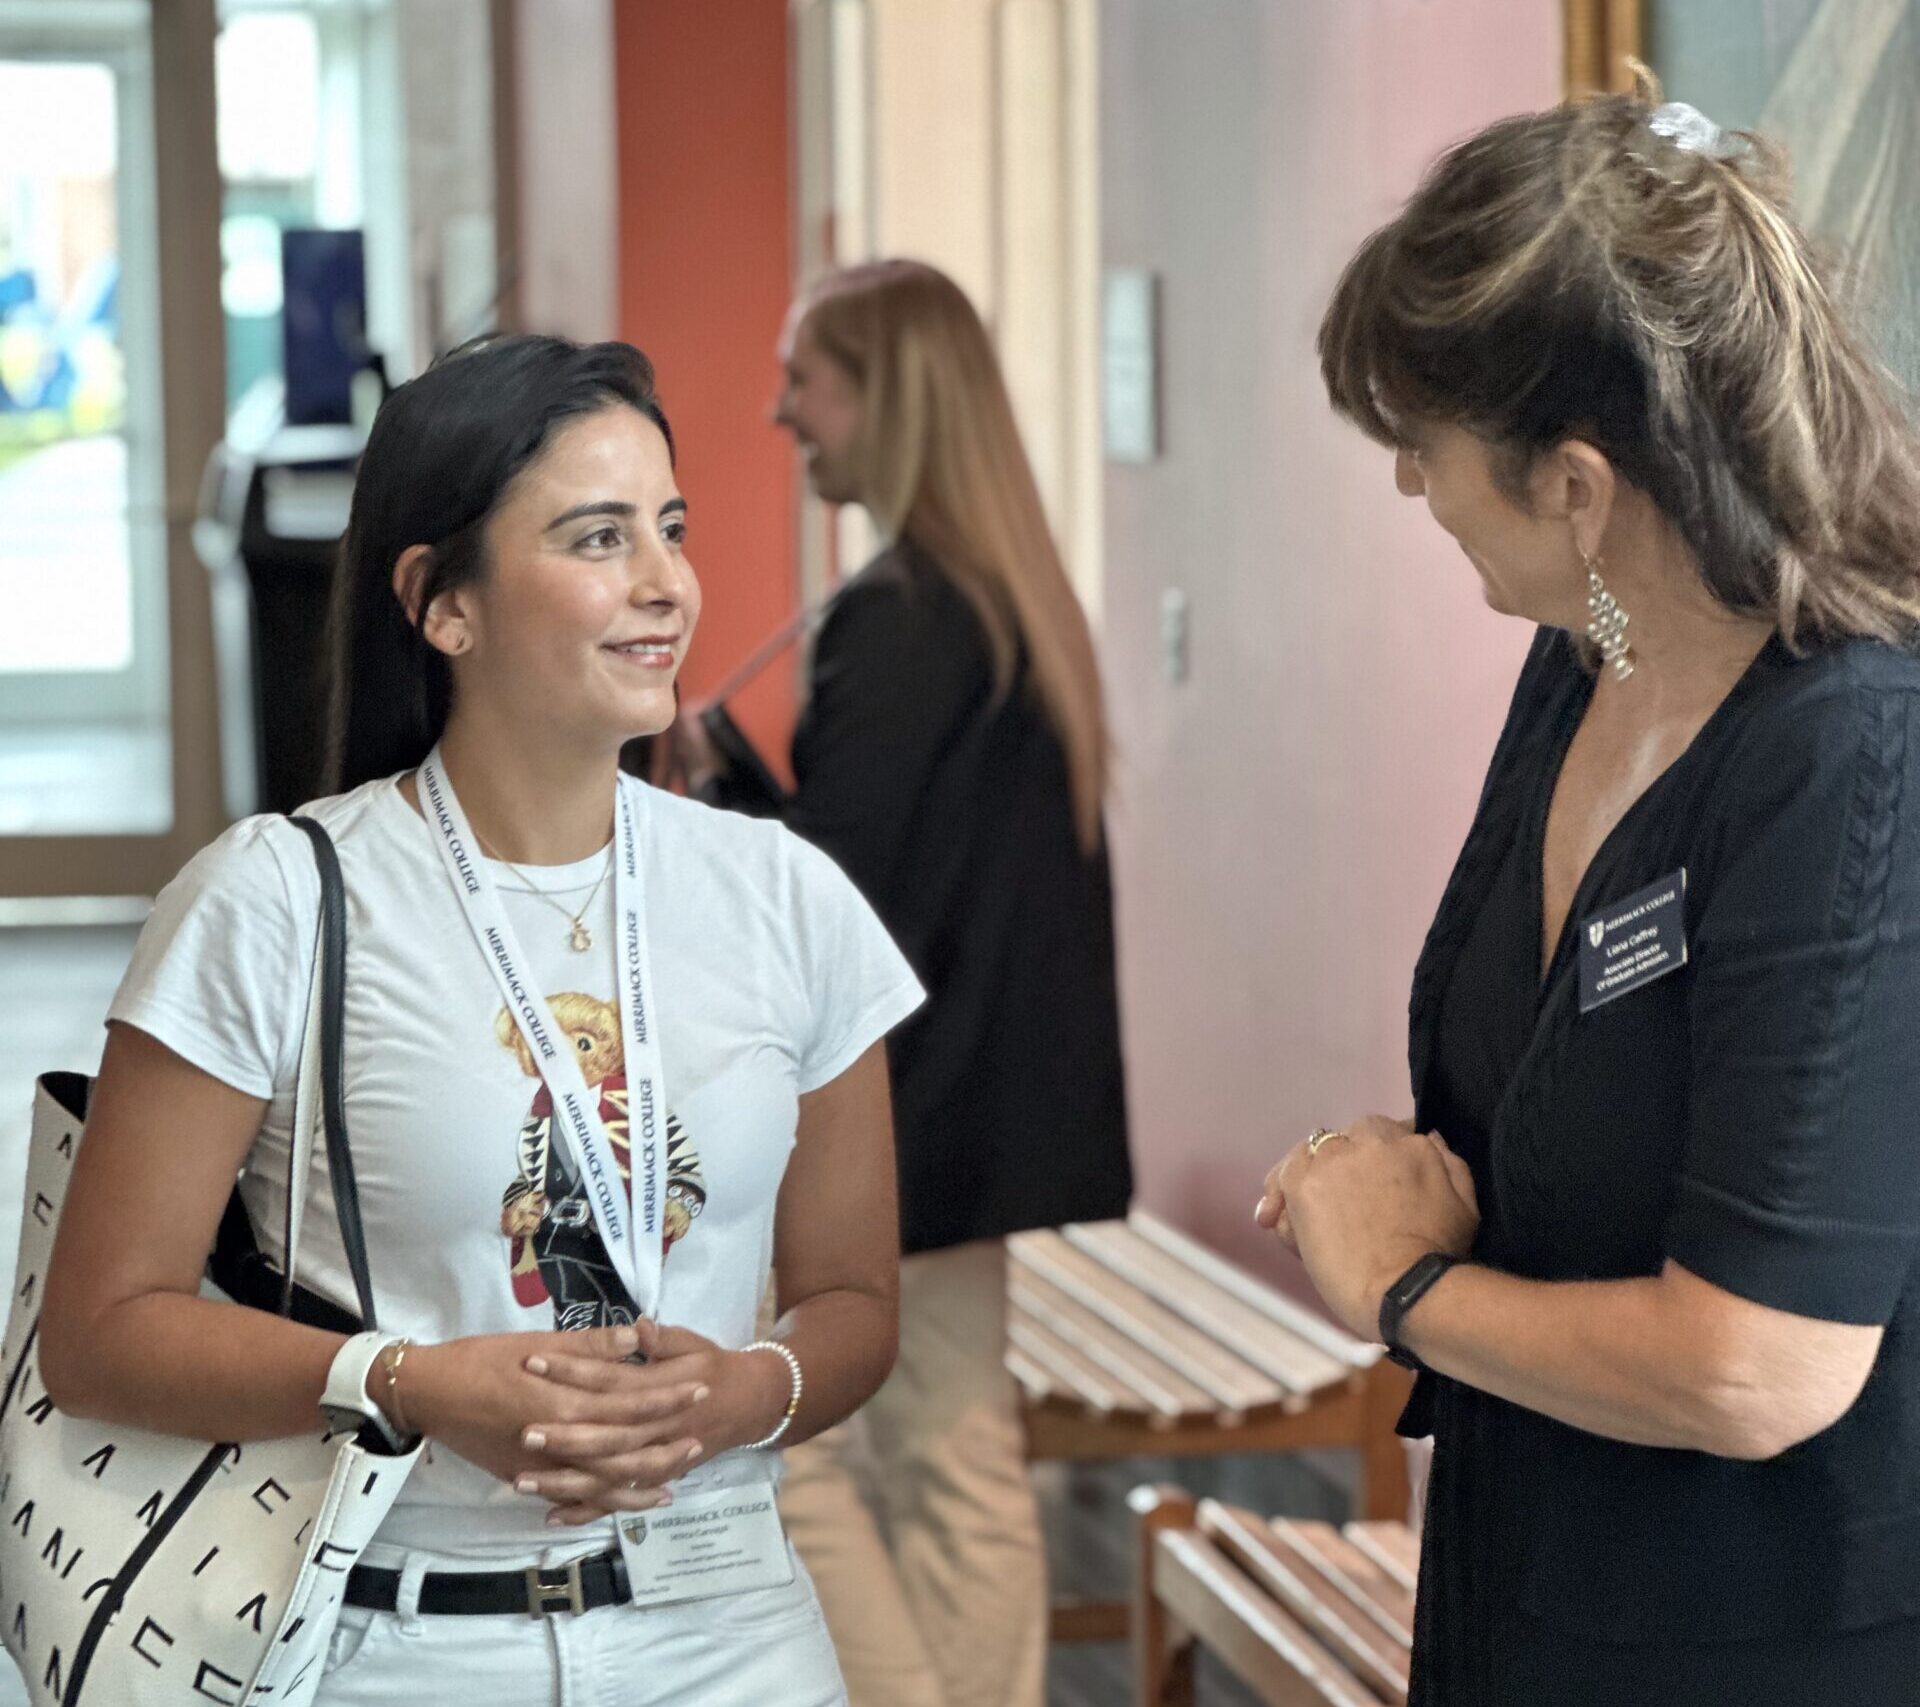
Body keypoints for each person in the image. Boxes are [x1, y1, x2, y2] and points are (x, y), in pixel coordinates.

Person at [36, 334, 925, 1705]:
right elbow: (97, 1332)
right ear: (441, 603)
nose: (665, 586)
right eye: (597, 538)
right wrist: (412, 1381)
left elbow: (855, 1302)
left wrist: (748, 1394)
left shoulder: (781, 896)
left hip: (730, 1629)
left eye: (669, 532)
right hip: (397, 1641)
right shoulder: (274, 901)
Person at [1255, 81, 1920, 1705]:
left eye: (1425, 450)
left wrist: (1407, 1288)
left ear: (1574, 482)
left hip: (1765, 1637)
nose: (1412, 490)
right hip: (1528, 1568)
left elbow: (1761, 1368)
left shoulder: (1849, 757)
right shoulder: (1586, 662)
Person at [671, 259, 1132, 1707]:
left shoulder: (900, 615)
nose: (776, 409)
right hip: (987, 1094)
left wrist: (699, 812)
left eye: (803, 375)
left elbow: (830, 893)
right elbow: (892, 854)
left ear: (885, 393)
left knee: (790, 1453)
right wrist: (743, 782)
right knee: (953, 1449)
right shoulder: (993, 598)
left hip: (906, 1108)